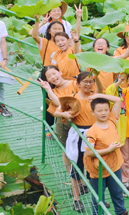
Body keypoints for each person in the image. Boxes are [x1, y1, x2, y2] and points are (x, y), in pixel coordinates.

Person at [47, 71, 119, 212]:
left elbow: (109, 95)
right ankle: (76, 199)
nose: (88, 84)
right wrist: (63, 114)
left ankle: (97, 198)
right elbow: (54, 110)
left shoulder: (95, 98)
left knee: (94, 168)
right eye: (84, 81)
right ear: (78, 84)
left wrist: (97, 81)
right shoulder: (72, 99)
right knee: (77, 167)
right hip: (78, 135)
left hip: (95, 134)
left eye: (90, 81)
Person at [83, 97, 127, 215]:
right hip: (99, 168)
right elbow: (89, 152)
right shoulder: (92, 131)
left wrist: (97, 95)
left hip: (115, 165)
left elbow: (118, 100)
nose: (103, 113)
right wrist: (108, 149)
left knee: (117, 192)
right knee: (98, 196)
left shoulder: (112, 120)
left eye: (106, 110)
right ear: (92, 112)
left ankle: (121, 212)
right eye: (99, 110)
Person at [38, 65, 79, 174]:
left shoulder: (75, 84)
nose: (53, 77)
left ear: (60, 72)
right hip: (63, 123)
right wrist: (48, 89)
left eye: (54, 73)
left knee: (80, 150)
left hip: (79, 121)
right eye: (49, 76)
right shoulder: (53, 92)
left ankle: (83, 179)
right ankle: (73, 176)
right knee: (66, 150)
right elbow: (57, 105)